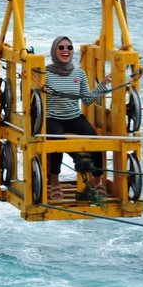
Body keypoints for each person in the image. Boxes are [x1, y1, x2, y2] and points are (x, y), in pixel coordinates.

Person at [43, 35, 111, 201]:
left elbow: (87, 99)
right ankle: (55, 182)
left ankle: (96, 181)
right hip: (53, 117)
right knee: (57, 143)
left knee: (96, 141)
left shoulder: (79, 73)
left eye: (69, 48)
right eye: (61, 47)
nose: (65, 51)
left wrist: (102, 85)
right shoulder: (45, 73)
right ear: (54, 51)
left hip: (74, 117)